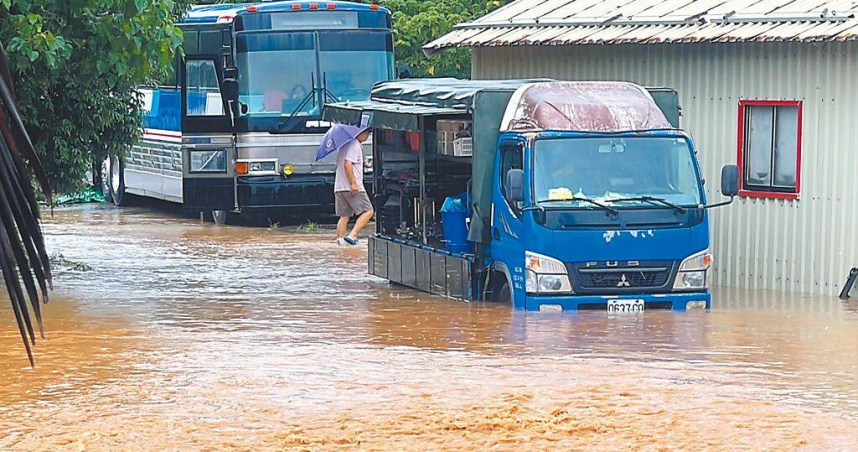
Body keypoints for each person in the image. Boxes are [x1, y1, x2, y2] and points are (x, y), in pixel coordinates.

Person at [335, 129, 374, 246]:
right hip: (352, 187)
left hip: (339, 186)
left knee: (344, 215)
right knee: (368, 211)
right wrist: (353, 183)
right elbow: (347, 164)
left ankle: (341, 241)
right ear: (360, 133)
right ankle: (352, 235)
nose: (367, 136)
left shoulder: (344, 145)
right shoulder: (354, 145)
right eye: (367, 133)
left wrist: (363, 164)